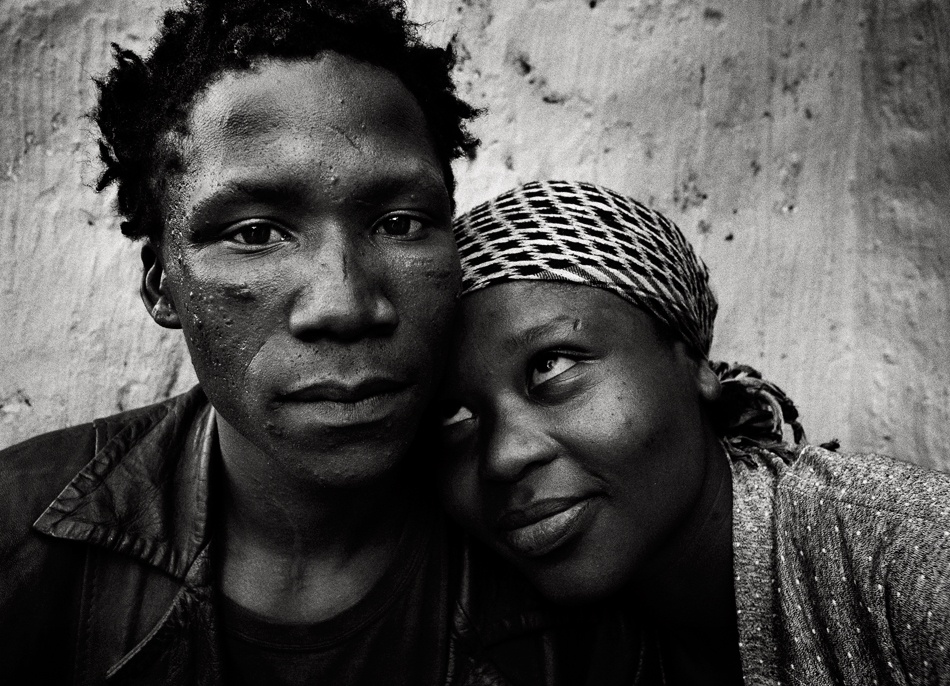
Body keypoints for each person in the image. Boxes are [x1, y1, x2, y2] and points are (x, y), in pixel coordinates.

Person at [0, 5, 629, 684]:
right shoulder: (17, 533)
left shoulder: (580, 555)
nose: (346, 305)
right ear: (162, 286)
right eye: (255, 234)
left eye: (400, 223)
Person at [438, 180, 950, 685]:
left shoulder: (916, 559)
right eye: (454, 413)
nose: (503, 457)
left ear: (693, 360)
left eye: (551, 365)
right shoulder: (525, 641)